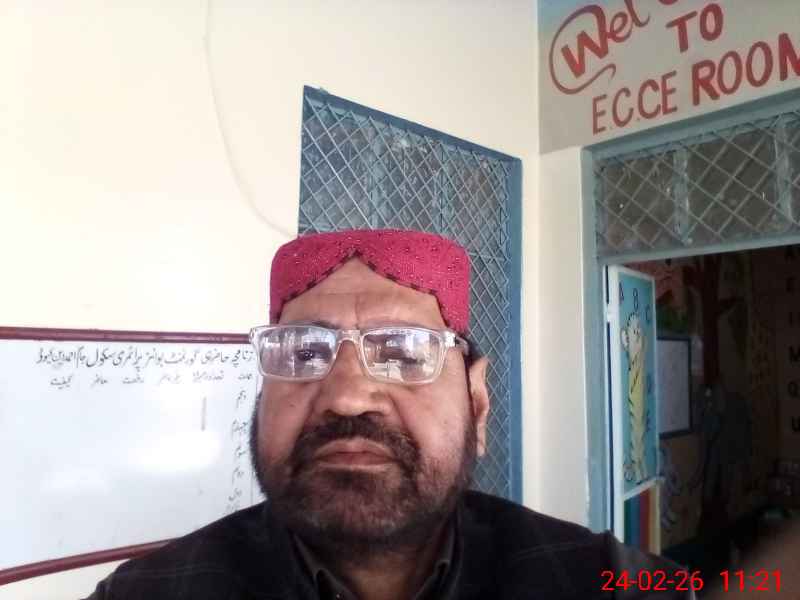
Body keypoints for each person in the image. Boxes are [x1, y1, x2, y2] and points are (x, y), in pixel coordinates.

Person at [86, 229, 690, 599]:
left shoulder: (607, 581)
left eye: (404, 351)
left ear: (477, 403)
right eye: (303, 352)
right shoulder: (143, 594)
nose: (348, 397)